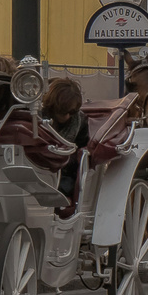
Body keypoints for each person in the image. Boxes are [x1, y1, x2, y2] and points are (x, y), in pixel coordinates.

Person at [42, 78, 89, 206]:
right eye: (63, 111)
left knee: (62, 188)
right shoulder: (39, 118)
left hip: (65, 173)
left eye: (72, 112)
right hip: (40, 170)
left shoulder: (81, 122)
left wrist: (62, 159)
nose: (67, 116)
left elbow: (80, 150)